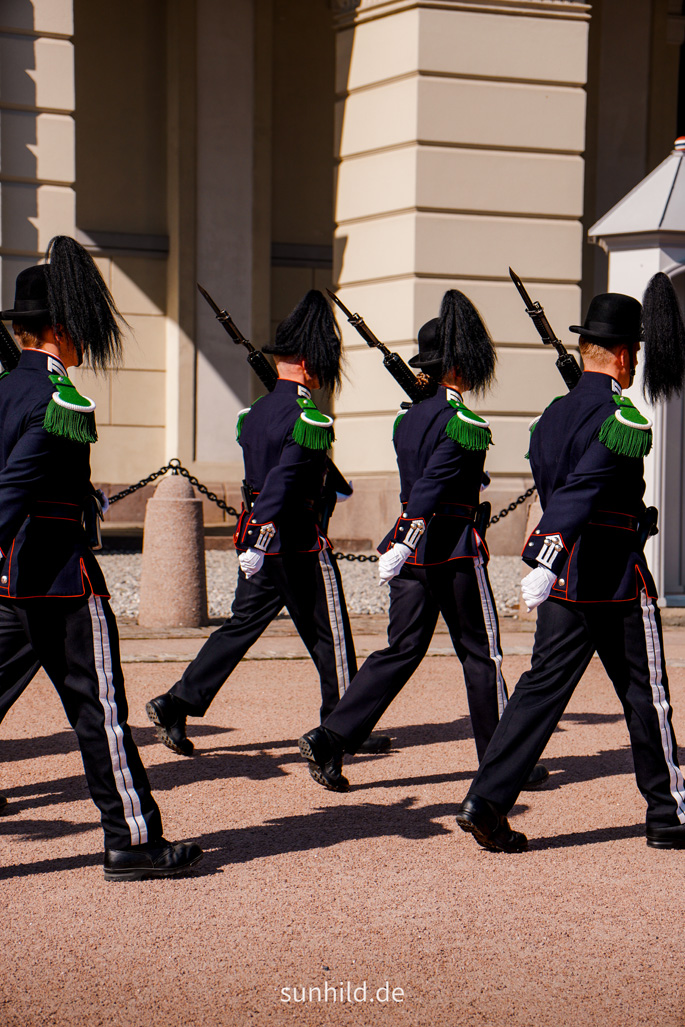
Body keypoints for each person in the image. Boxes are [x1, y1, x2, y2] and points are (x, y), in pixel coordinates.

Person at [456, 276, 685, 853]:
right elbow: (581, 490)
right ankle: (666, 813)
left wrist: (551, 562)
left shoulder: (551, 416)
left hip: (565, 585)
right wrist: (544, 550)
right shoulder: (623, 418)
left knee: (539, 692)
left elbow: (561, 481)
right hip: (613, 581)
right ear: (626, 354)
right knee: (647, 696)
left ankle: (486, 798)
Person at [0, 237, 202, 880]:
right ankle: (131, 839)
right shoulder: (63, 400)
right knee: (102, 711)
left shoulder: (5, 390)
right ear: (60, 328)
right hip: (60, 582)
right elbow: (14, 490)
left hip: (8, 579)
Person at [297, 290, 548, 792]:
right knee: (481, 655)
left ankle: (331, 736)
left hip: (410, 553)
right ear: (457, 366)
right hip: (451, 547)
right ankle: (501, 763)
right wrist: (415, 531)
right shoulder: (463, 421)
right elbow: (435, 483)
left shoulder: (407, 418)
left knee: (401, 649)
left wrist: (407, 539)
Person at [146, 290, 389, 759]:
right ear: (308, 361)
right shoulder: (308, 418)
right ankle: (341, 729)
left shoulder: (253, 414)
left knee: (239, 627)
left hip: (258, 539)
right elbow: (283, 482)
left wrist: (255, 536)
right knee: (330, 636)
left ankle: (177, 701)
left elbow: (261, 475)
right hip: (296, 540)